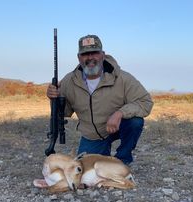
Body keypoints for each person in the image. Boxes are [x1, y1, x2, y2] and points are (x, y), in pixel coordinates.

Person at [47, 34, 153, 165]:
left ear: (102, 54)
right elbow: (64, 112)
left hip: (117, 126)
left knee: (135, 122)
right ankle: (102, 154)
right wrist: (53, 99)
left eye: (94, 53)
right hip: (93, 136)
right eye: (85, 54)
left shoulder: (123, 78)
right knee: (84, 169)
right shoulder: (69, 81)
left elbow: (145, 102)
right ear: (79, 57)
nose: (90, 57)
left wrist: (120, 114)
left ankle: (122, 160)